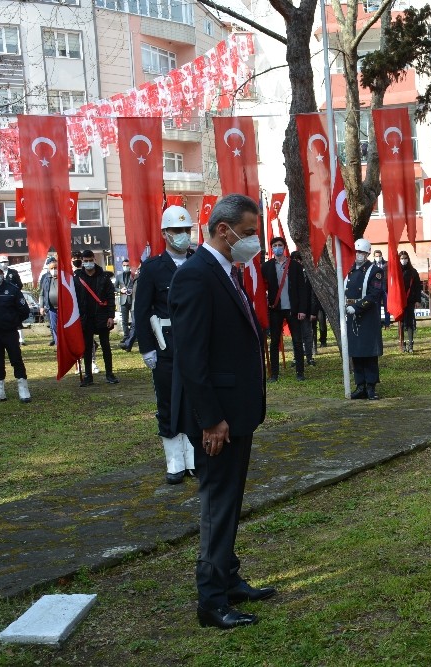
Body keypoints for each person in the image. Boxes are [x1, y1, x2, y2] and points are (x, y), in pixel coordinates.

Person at [169, 193, 274, 631]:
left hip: (239, 411)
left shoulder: (227, 272)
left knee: (231, 502)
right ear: (223, 230)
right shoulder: (196, 275)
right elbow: (191, 358)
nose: (253, 242)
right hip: (218, 419)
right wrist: (210, 419)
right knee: (218, 505)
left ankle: (229, 579)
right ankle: (211, 601)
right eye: (249, 233)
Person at [135, 206, 195, 484]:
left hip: (196, 342)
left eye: (186, 230)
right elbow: (142, 309)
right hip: (166, 344)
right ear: (165, 234)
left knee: (196, 400)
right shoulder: (152, 267)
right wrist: (147, 347)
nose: (182, 236)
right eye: (176, 231)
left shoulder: (199, 261)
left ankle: (194, 457)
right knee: (169, 401)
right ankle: (174, 461)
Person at [260, 237, 309, 381]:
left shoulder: (295, 266)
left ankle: (300, 372)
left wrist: (302, 310)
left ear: (285, 247)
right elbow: (262, 289)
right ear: (271, 248)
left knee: (297, 341)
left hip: (293, 309)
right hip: (275, 309)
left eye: (280, 245)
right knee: (274, 341)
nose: (277, 248)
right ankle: (274, 374)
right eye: (274, 245)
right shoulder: (267, 267)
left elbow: (302, 289)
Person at [0, 262, 32, 403]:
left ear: (2, 273)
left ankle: (23, 389)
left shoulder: (12, 289)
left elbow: (24, 311)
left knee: (16, 359)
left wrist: (13, 321)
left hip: (10, 332)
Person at [345, 238, 385, 399]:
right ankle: (360, 385)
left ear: (368, 253)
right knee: (356, 352)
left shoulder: (375, 271)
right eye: (357, 252)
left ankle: (370, 387)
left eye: (362, 252)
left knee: (368, 352)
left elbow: (374, 294)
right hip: (351, 315)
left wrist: (357, 307)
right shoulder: (349, 270)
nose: (359, 255)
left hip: (367, 315)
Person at [74, 250, 118, 385]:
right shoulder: (77, 277)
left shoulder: (104, 277)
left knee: (106, 346)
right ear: (82, 261)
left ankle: (109, 374)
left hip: (103, 316)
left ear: (94, 259)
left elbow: (111, 297)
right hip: (85, 318)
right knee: (87, 347)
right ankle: (88, 376)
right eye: (85, 261)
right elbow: (73, 298)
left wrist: (111, 316)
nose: (88, 263)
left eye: (90, 260)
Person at [292, 250, 318, 367]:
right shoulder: (288, 274)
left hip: (306, 310)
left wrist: (313, 311)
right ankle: (296, 357)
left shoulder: (308, 274)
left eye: (299, 260)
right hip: (293, 310)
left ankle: (309, 356)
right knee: (296, 335)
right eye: (295, 260)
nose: (297, 262)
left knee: (307, 334)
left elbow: (313, 294)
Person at [398, 250, 422, 353]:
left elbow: (417, 287)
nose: (404, 260)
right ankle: (402, 343)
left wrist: (417, 300)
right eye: (402, 258)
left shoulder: (413, 272)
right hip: (399, 301)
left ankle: (410, 344)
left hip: (410, 300)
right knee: (401, 323)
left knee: (410, 322)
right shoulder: (396, 271)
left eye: (405, 258)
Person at [39, 257, 59, 347]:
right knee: (54, 327)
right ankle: (58, 345)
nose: (54, 270)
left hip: (63, 308)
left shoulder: (63, 277)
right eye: (52, 268)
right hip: (51, 308)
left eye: (56, 268)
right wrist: (41, 306)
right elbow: (42, 293)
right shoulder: (45, 278)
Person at [115, 258, 135, 343]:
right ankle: (126, 336)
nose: (126, 267)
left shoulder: (134, 276)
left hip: (133, 300)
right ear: (122, 266)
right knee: (124, 320)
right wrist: (120, 290)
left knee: (134, 320)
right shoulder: (119, 276)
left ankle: (133, 336)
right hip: (123, 300)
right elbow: (114, 287)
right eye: (124, 265)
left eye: (127, 265)